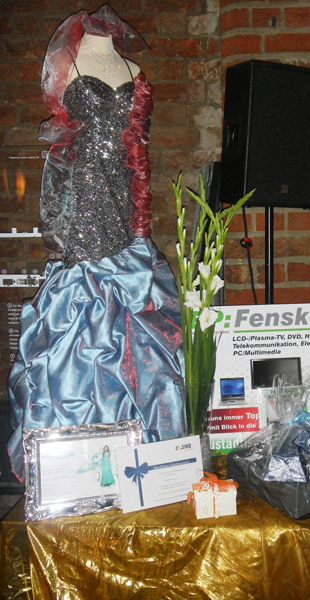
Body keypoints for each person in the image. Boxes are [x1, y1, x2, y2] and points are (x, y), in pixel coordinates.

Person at [8, 6, 185, 482]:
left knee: (138, 337)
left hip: (125, 206)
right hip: (83, 204)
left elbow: (137, 148)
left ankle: (148, 471)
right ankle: (75, 475)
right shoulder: (67, 63)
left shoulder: (133, 69)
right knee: (80, 331)